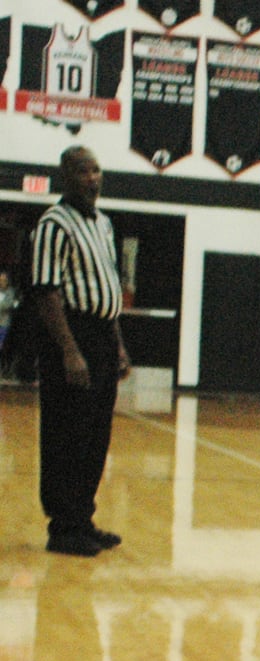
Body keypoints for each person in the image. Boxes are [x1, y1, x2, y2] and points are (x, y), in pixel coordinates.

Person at [29, 146, 131, 557]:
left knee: (95, 436)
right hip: (71, 335)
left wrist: (119, 345)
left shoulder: (104, 224)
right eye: (83, 171)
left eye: (96, 170)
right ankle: (62, 527)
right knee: (65, 434)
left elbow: (106, 288)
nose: (92, 178)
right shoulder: (53, 224)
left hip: (103, 337)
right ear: (65, 176)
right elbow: (46, 292)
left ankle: (82, 520)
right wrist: (70, 351)